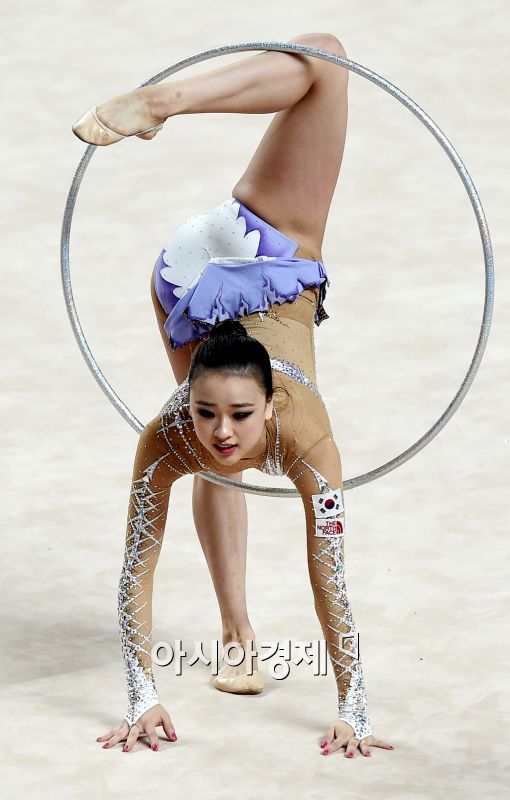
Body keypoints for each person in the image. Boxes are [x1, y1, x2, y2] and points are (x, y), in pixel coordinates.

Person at [74, 32, 395, 759]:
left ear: (274, 408)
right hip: (202, 274)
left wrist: (355, 709)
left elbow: (330, 576)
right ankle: (165, 102)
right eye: (204, 411)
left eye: (241, 415)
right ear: (185, 403)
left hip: (214, 263)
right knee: (326, 53)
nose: (219, 430)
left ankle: (236, 637)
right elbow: (137, 564)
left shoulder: (308, 439)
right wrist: (142, 697)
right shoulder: (172, 433)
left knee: (324, 53)